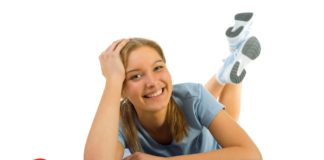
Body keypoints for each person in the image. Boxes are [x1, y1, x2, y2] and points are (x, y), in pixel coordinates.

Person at [84, 12, 262, 160]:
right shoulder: (120, 121)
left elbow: (251, 155)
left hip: (214, 147)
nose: (152, 82)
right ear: (122, 88)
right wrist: (113, 80)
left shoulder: (194, 96)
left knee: (217, 111)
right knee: (197, 102)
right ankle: (231, 61)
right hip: (192, 106)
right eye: (135, 76)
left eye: (158, 67)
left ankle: (231, 63)